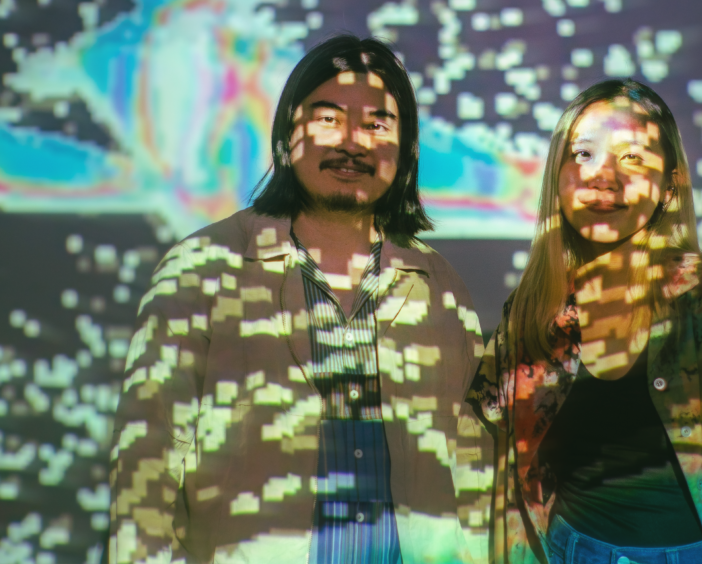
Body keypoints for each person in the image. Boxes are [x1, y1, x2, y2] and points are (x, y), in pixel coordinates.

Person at [109, 34, 492, 564]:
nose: (352, 142)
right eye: (328, 119)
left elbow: (473, 470)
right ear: (287, 132)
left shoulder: (440, 286)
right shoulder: (201, 268)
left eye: (378, 125)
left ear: (405, 149)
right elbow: (145, 471)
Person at [467, 79, 702, 564]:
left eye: (632, 157)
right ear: (557, 175)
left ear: (669, 185)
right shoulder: (530, 312)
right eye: (583, 154)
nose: (603, 176)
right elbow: (506, 497)